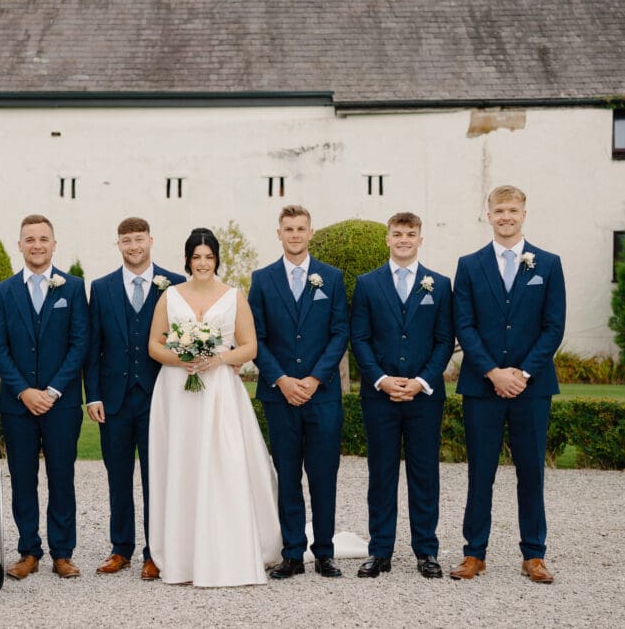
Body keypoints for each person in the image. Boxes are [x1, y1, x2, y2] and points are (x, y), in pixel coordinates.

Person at [147, 228, 280, 587]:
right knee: (183, 463)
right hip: (178, 390)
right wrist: (181, 358)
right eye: (196, 256)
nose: (202, 263)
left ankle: (228, 549)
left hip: (219, 389)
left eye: (209, 256)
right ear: (187, 260)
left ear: (217, 259)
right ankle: (182, 554)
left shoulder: (234, 296)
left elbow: (249, 347)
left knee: (225, 464)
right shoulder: (170, 296)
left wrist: (218, 358)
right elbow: (154, 345)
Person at [449, 185, 566, 584]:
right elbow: (463, 324)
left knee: (531, 471)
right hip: (482, 388)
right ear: (488, 215)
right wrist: (493, 373)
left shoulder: (548, 264)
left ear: (524, 213)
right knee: (481, 472)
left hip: (532, 389)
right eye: (499, 210)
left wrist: (522, 373)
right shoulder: (468, 265)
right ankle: (473, 554)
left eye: (512, 210)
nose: (506, 216)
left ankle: (533, 555)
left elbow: (553, 327)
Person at [247, 204, 349, 579]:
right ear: (279, 233)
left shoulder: (331, 278)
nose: (294, 234)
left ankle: (324, 552)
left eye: (300, 228)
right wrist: (282, 379)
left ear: (310, 232)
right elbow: (255, 336)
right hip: (279, 395)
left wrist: (315, 378)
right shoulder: (262, 278)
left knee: (323, 474)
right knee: (287, 474)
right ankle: (292, 553)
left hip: (321, 395)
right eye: (288, 228)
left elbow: (340, 331)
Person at [350, 212, 454, 579]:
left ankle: (426, 550)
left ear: (420, 239)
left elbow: (444, 340)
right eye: (398, 234)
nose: (404, 239)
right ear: (388, 239)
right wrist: (381, 379)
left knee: (424, 474)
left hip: (424, 398)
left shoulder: (439, 285)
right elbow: (359, 338)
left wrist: (421, 380)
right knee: (381, 474)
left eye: (411, 234)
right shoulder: (367, 284)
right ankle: (380, 552)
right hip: (380, 397)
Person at [85, 217, 185, 580]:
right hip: (113, 400)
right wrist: (92, 395)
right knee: (118, 477)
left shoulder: (174, 283)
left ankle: (155, 551)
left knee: (158, 477)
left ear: (151, 240)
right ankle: (120, 548)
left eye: (138, 239)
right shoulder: (102, 287)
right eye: (126, 240)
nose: (133, 246)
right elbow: (93, 347)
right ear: (118, 245)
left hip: (160, 396)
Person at [0, 214, 89, 580]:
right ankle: (28, 550)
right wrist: (24, 391)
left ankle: (62, 553)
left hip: (60, 404)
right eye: (29, 239)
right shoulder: (4, 291)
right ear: (20, 245)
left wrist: (51, 390)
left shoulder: (73, 287)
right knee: (23, 478)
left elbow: (80, 343)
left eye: (43, 238)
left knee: (62, 477)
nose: (37, 245)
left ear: (53, 244)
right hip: (18, 405)